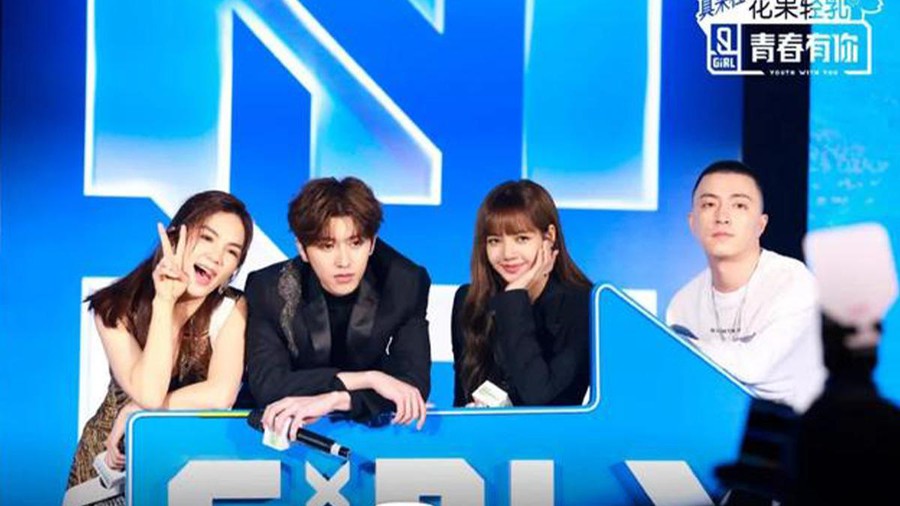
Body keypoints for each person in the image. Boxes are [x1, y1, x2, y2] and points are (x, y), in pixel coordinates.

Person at [65, 191, 254, 503]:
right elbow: (149, 393)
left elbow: (221, 394)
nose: (217, 257)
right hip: (110, 465)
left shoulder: (232, 307)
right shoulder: (113, 308)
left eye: (232, 252)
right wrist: (165, 301)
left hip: (185, 466)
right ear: (175, 236)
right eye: (207, 238)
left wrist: (136, 410)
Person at [245, 177, 431, 439]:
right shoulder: (268, 288)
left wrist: (336, 399)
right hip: (285, 432)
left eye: (356, 243)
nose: (344, 261)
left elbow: (412, 387)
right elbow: (268, 385)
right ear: (302, 248)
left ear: (372, 243)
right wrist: (369, 379)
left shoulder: (404, 282)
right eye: (327, 245)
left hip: (370, 431)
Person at [666, 160, 826, 412]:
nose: (722, 217)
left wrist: (673, 346)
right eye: (709, 204)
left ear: (761, 224)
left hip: (795, 428)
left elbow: (755, 366)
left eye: (739, 205)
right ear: (692, 222)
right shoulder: (682, 303)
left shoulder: (793, 281)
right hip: (715, 426)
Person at [452, 180, 592, 407]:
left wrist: (515, 296)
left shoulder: (582, 304)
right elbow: (462, 399)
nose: (507, 254)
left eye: (522, 238)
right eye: (494, 241)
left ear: (549, 237)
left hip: (552, 432)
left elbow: (541, 398)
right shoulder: (469, 301)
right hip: (486, 432)